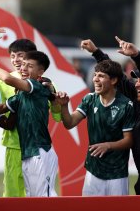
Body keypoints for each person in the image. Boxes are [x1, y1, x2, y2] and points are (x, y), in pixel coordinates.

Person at [0, 28, 61, 197]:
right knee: (13, 194)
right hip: (13, 146)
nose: (16, 60)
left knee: (40, 196)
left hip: (37, 146)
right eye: (13, 56)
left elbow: (57, 115)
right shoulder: (5, 78)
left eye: (21, 56)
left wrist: (57, 104)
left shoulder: (42, 83)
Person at [55, 60, 135, 195]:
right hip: (93, 171)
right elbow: (69, 123)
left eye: (101, 76)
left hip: (117, 174)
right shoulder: (90, 99)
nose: (95, 79)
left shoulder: (126, 105)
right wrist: (64, 106)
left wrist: (108, 145)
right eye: (95, 75)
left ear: (114, 80)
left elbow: (129, 140)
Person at [81, 36, 140, 194]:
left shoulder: (127, 104)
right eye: (136, 80)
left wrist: (137, 56)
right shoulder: (134, 96)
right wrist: (95, 51)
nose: (137, 83)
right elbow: (114, 76)